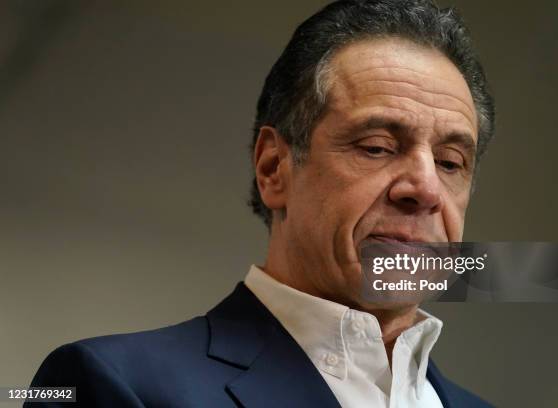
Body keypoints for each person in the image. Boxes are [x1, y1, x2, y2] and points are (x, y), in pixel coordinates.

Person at [26, 0, 495, 406]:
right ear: (274, 168)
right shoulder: (110, 385)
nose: (426, 189)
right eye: (376, 146)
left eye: (451, 162)